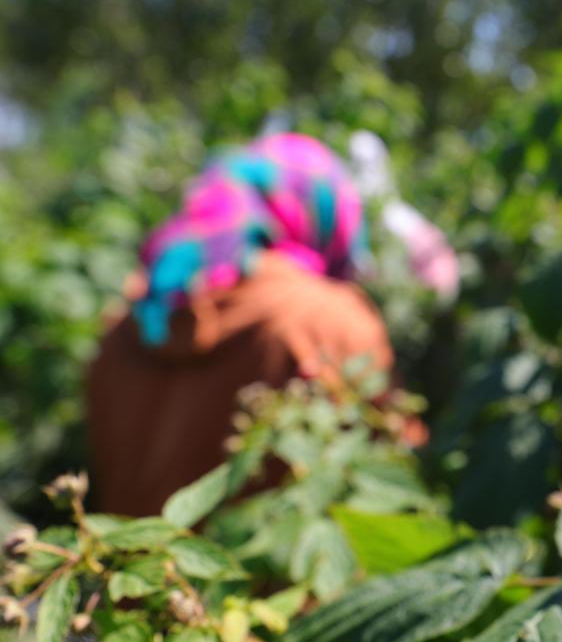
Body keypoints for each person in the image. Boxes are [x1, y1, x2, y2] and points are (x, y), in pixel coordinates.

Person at [86, 133, 439, 517]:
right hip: (273, 575)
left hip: (142, 569)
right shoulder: (328, 316)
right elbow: (397, 463)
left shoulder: (127, 326)